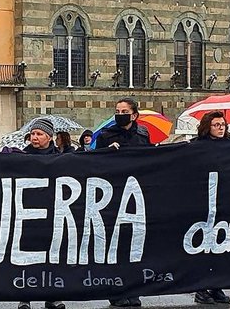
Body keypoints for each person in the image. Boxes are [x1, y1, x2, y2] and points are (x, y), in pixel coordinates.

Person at [95, 98, 150, 307]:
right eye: (117, 110)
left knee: (134, 243)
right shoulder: (106, 135)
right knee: (115, 243)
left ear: (134, 114)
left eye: (124, 110)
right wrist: (107, 151)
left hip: (137, 192)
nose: (120, 114)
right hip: (114, 193)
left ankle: (133, 288)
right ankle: (116, 290)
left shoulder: (143, 135)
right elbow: (93, 161)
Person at [14, 119, 64, 309]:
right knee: (27, 255)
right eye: (33, 134)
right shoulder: (23, 156)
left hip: (53, 212)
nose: (34, 137)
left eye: (39, 134)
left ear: (49, 137)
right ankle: (25, 297)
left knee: (52, 255)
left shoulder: (61, 158)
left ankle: (52, 296)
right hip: (28, 213)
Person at [189, 110, 230, 305]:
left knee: (221, 247)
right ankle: (200, 287)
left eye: (222, 124)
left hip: (224, 201)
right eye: (216, 125)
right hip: (202, 202)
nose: (220, 128)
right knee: (203, 247)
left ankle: (217, 286)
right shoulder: (197, 147)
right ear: (208, 127)